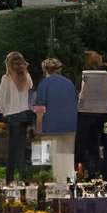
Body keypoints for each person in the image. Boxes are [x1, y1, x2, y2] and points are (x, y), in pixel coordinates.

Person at [36, 55, 78, 185]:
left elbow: (40, 109)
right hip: (70, 126)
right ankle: (65, 186)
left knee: (46, 160)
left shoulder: (44, 84)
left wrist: (38, 128)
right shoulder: (69, 83)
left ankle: (46, 187)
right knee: (66, 159)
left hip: (50, 126)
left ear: (45, 70)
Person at [0, 49, 37, 182]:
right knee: (22, 148)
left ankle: (10, 178)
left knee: (13, 149)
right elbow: (32, 95)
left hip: (13, 116)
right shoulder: (27, 76)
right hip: (26, 116)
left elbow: (2, 98)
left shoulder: (6, 78)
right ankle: (24, 177)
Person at [77, 54, 107, 190]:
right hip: (106, 115)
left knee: (86, 144)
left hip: (86, 114)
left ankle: (89, 173)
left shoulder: (85, 75)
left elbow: (81, 94)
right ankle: (106, 174)